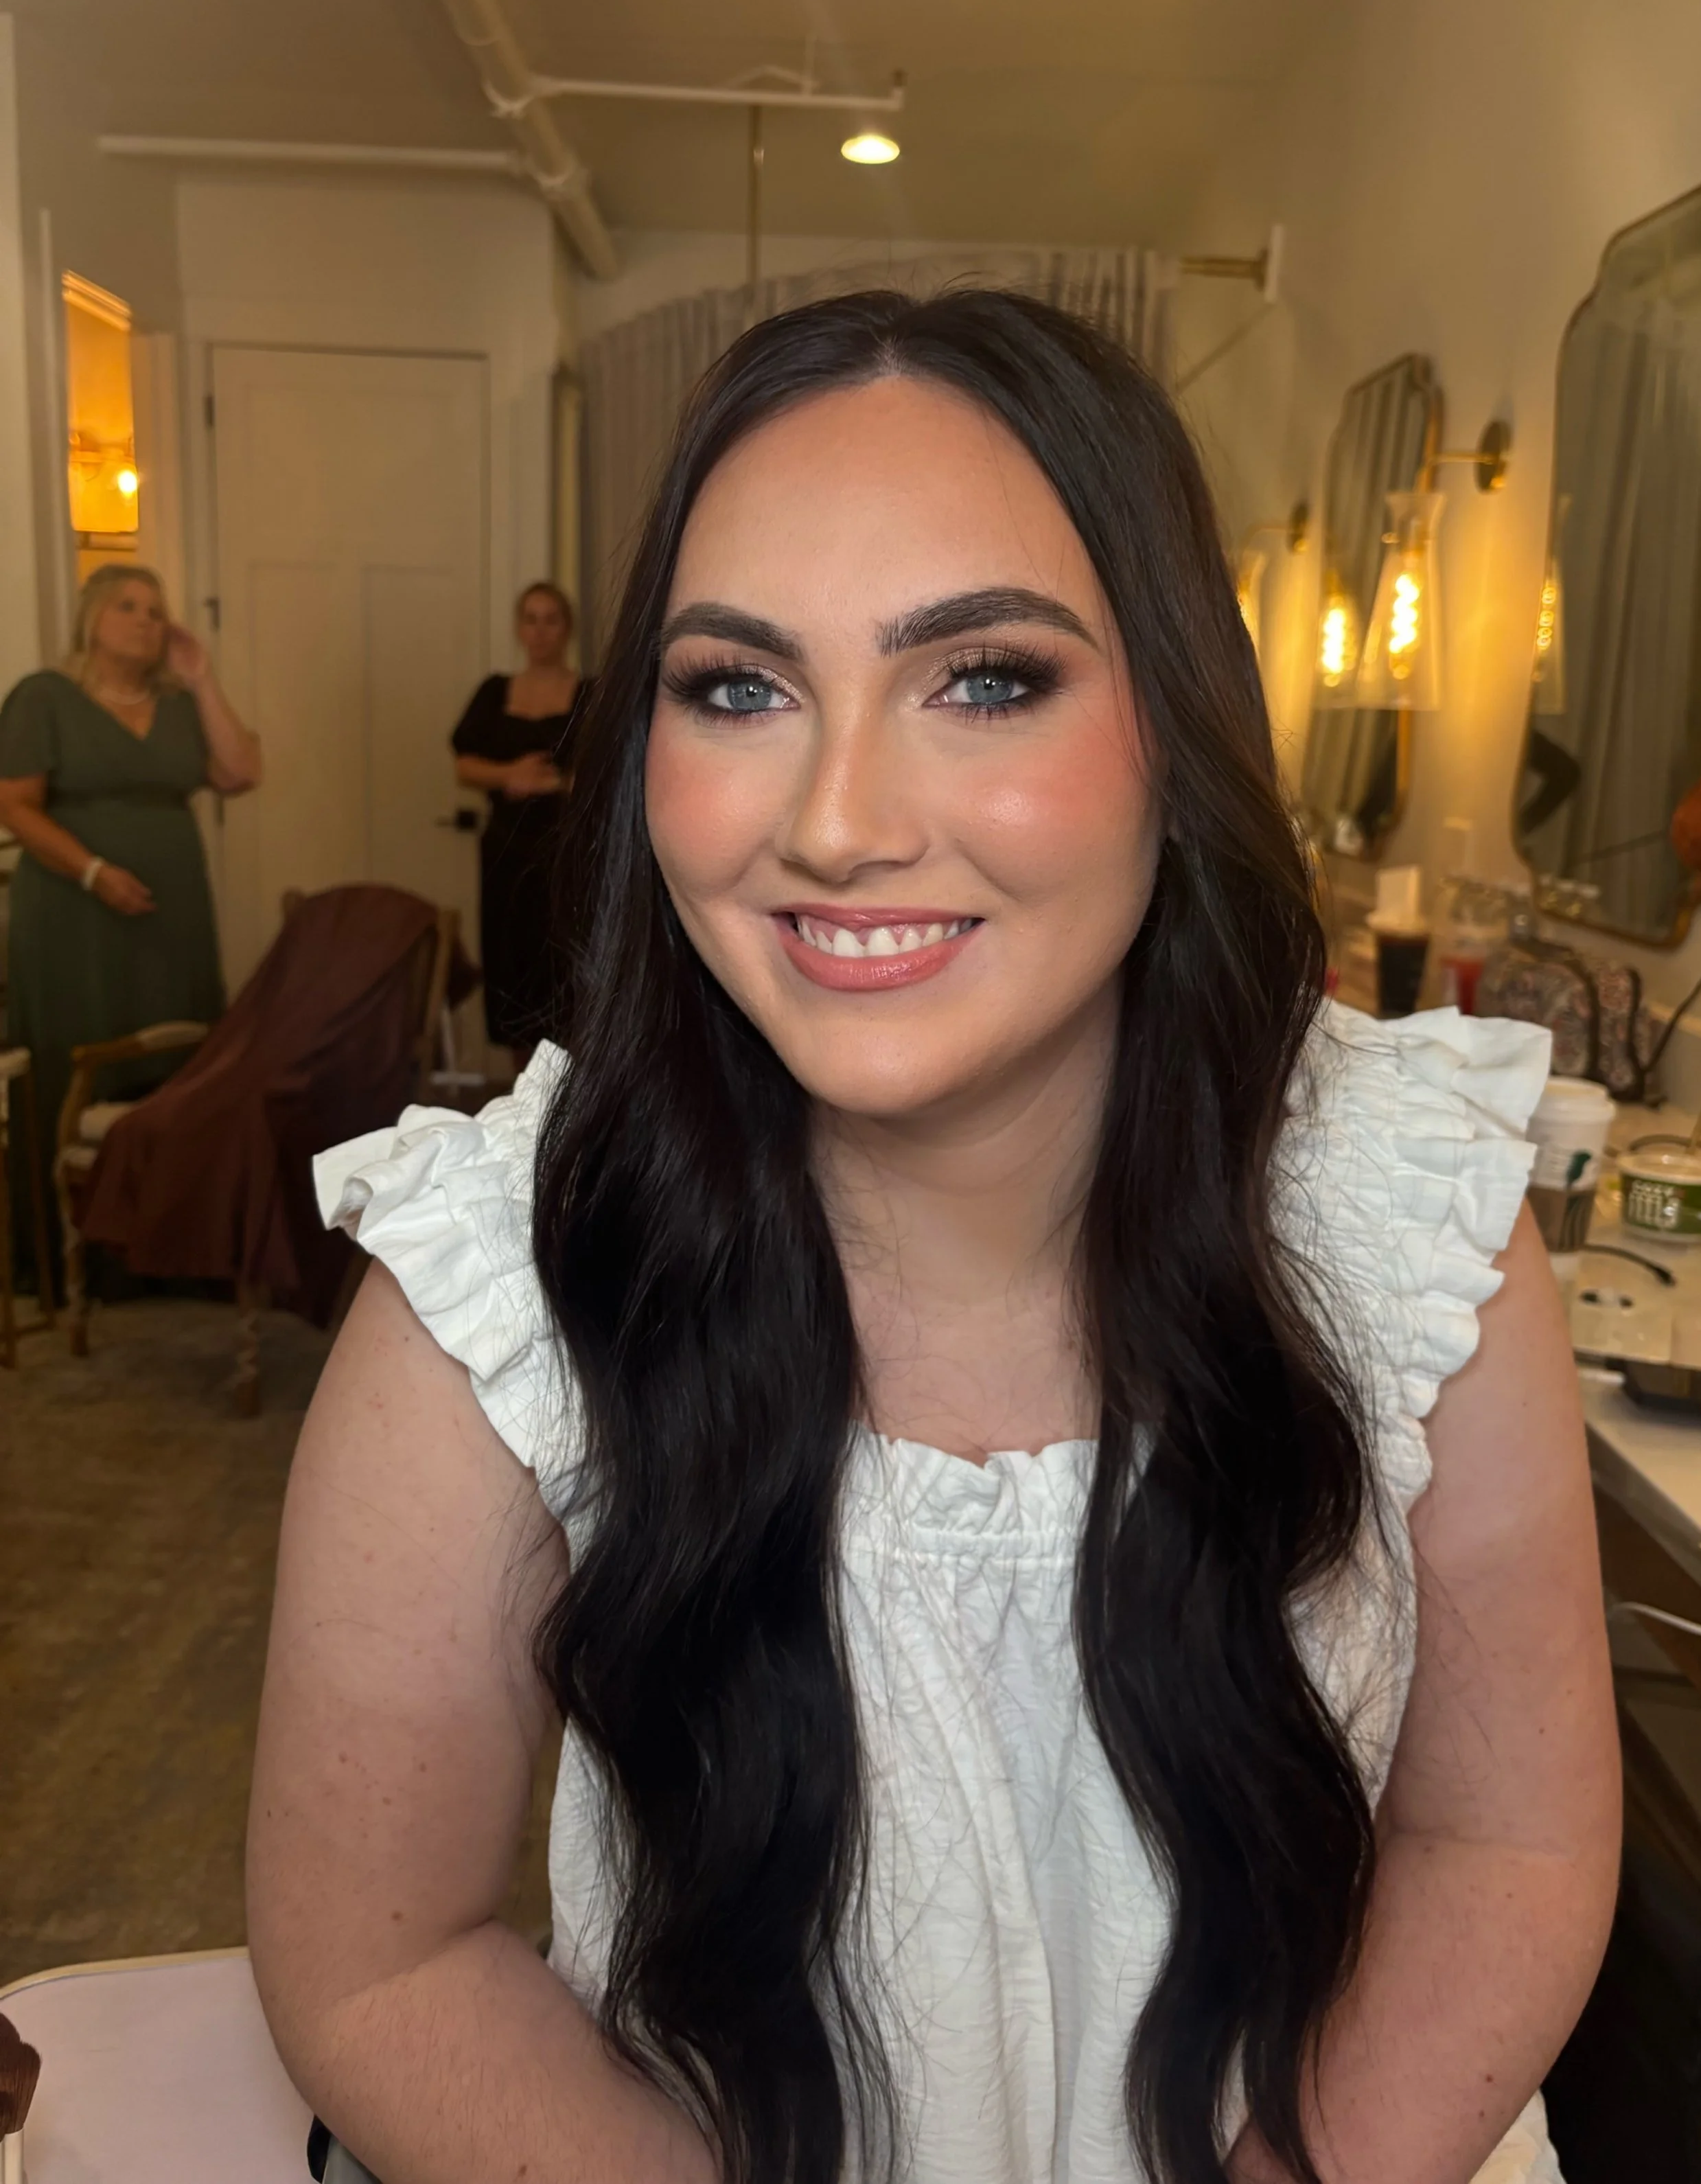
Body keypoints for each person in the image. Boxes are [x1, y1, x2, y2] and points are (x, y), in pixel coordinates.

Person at [253, 294, 1618, 2184]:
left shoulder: (1403, 1216)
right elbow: (383, 1959)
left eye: (981, 677)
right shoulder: (501, 1278)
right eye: (735, 685)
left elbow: (1505, 1843)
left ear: (1173, 717)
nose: (832, 820)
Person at [0, 564, 262, 1281]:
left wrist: (203, 677)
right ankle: (63, 1252)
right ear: (91, 617)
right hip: (70, 910)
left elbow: (240, 772)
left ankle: (164, 1248)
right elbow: (15, 805)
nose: (147, 621)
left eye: (156, 610)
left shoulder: (178, 705)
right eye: (129, 606)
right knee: (76, 1047)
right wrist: (91, 871)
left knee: (175, 1056)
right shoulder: (44, 697)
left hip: (169, 911)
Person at [451, 582, 582, 1070]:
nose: (541, 630)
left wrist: (556, 783)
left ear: (566, 628)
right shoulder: (494, 691)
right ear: (519, 628)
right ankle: (517, 1094)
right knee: (512, 965)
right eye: (531, 618)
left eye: (551, 619)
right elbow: (464, 765)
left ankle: (572, 1093)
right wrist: (511, 776)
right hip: (506, 853)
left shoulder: (590, 692)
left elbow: (611, 768)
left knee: (566, 965)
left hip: (567, 853)